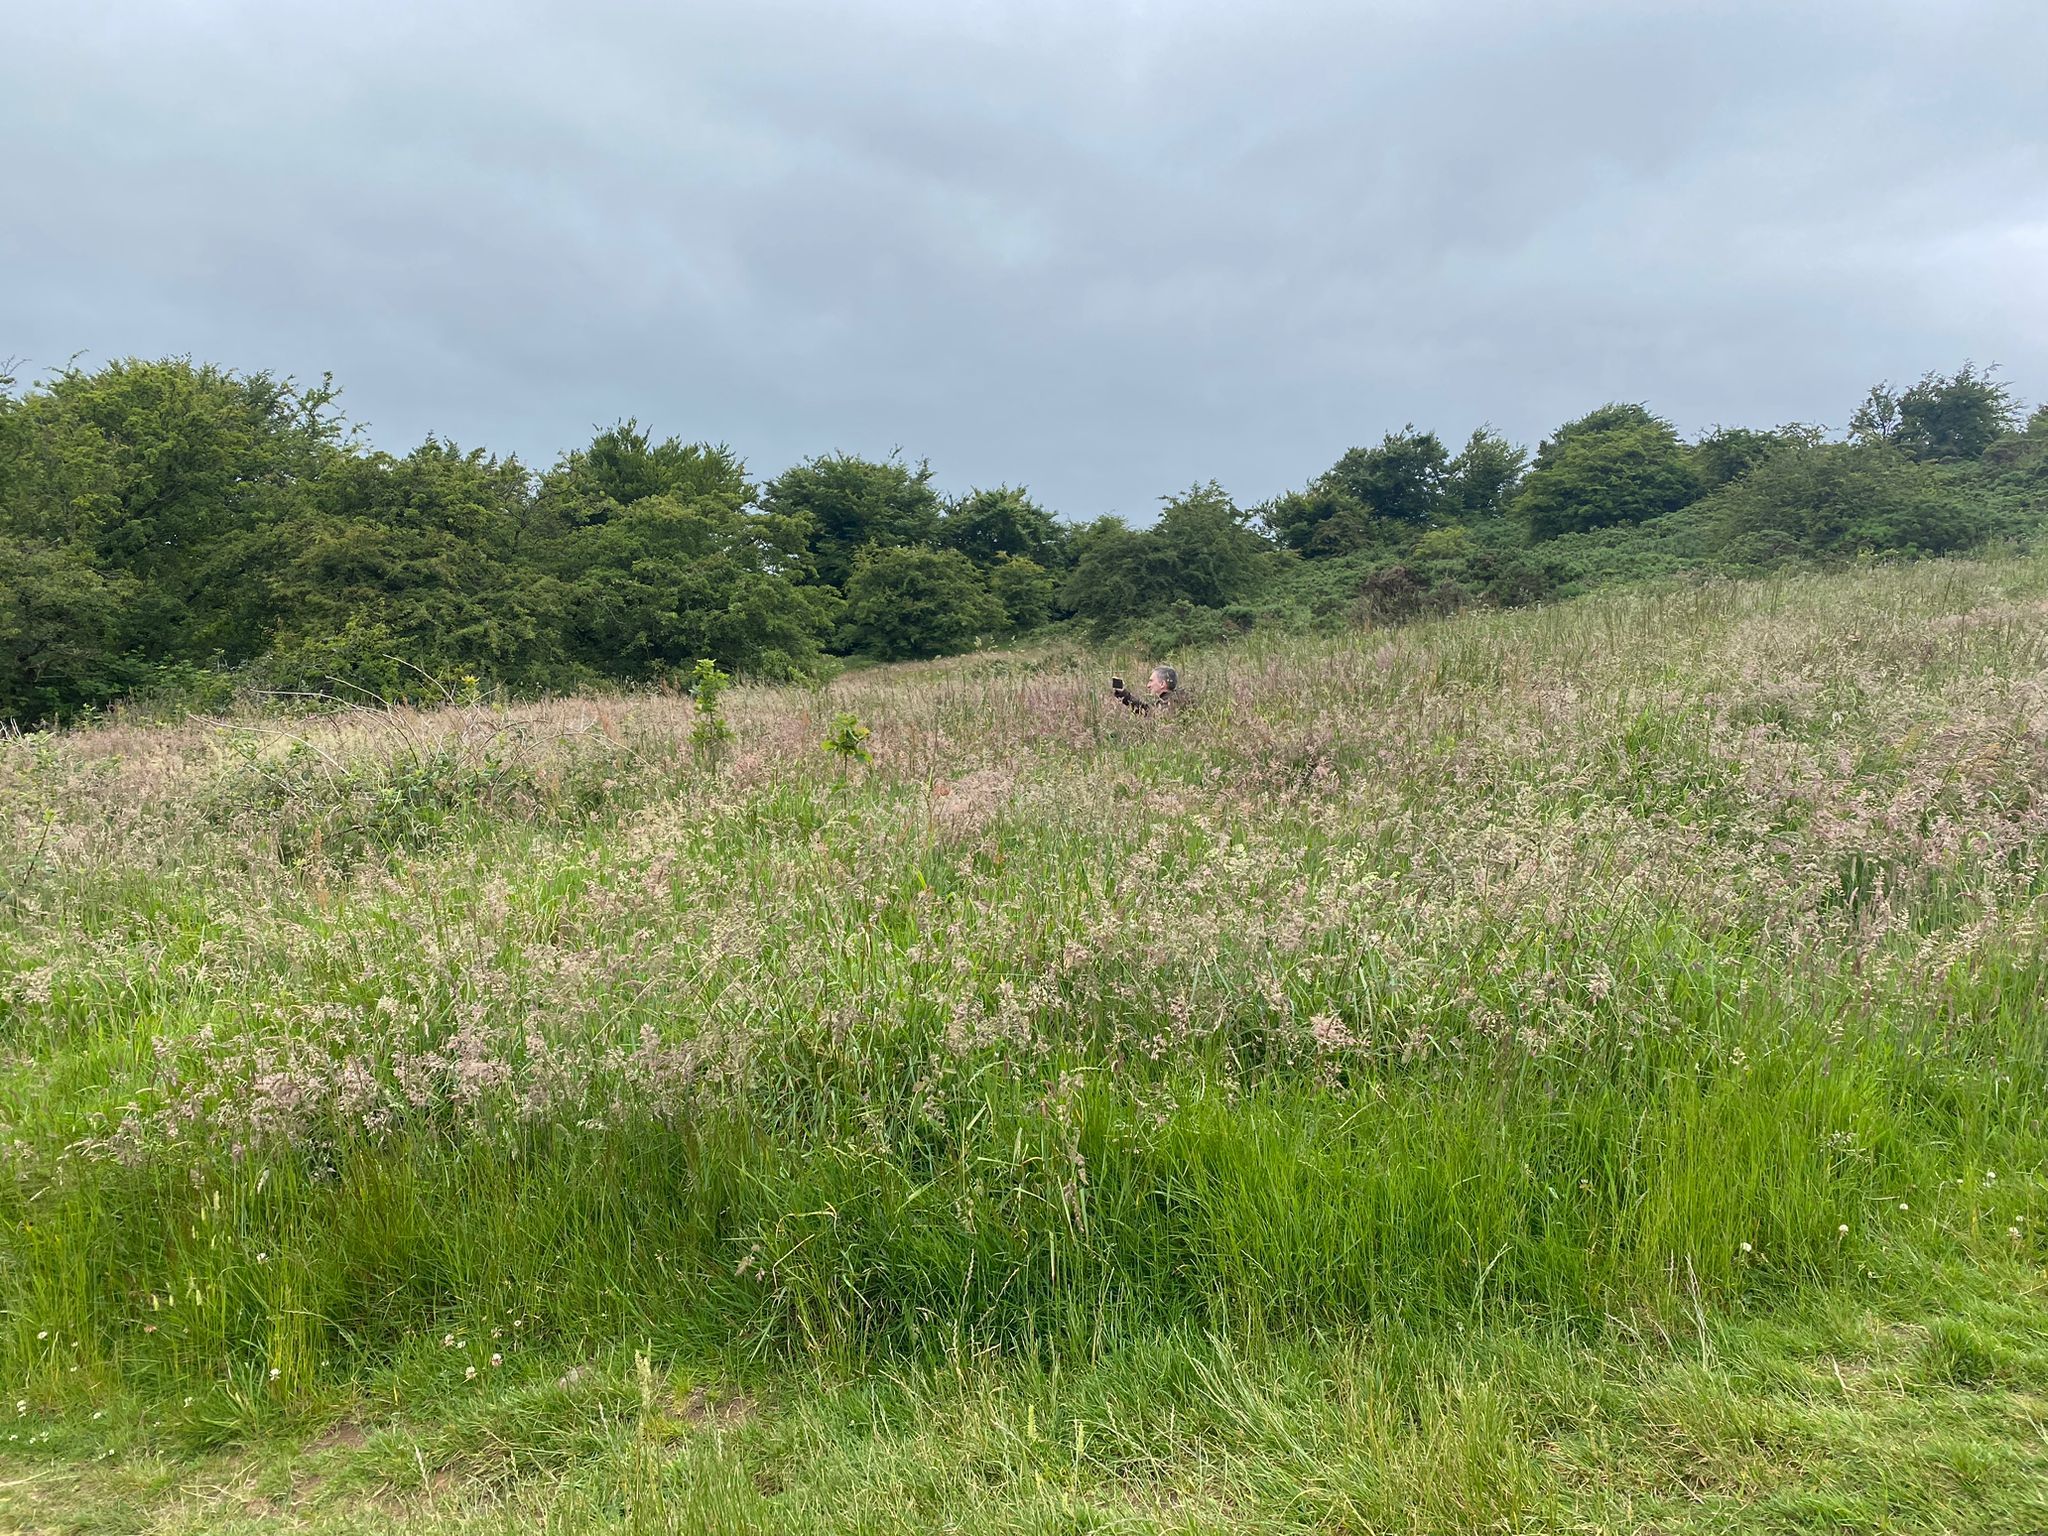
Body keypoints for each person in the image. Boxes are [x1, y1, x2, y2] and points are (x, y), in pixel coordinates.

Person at [1111, 665, 1178, 713]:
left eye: (1151, 681)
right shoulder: (1172, 699)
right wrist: (1123, 693)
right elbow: (1145, 708)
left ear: (1162, 684)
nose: (1148, 685)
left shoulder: (1171, 704)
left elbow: (1149, 711)